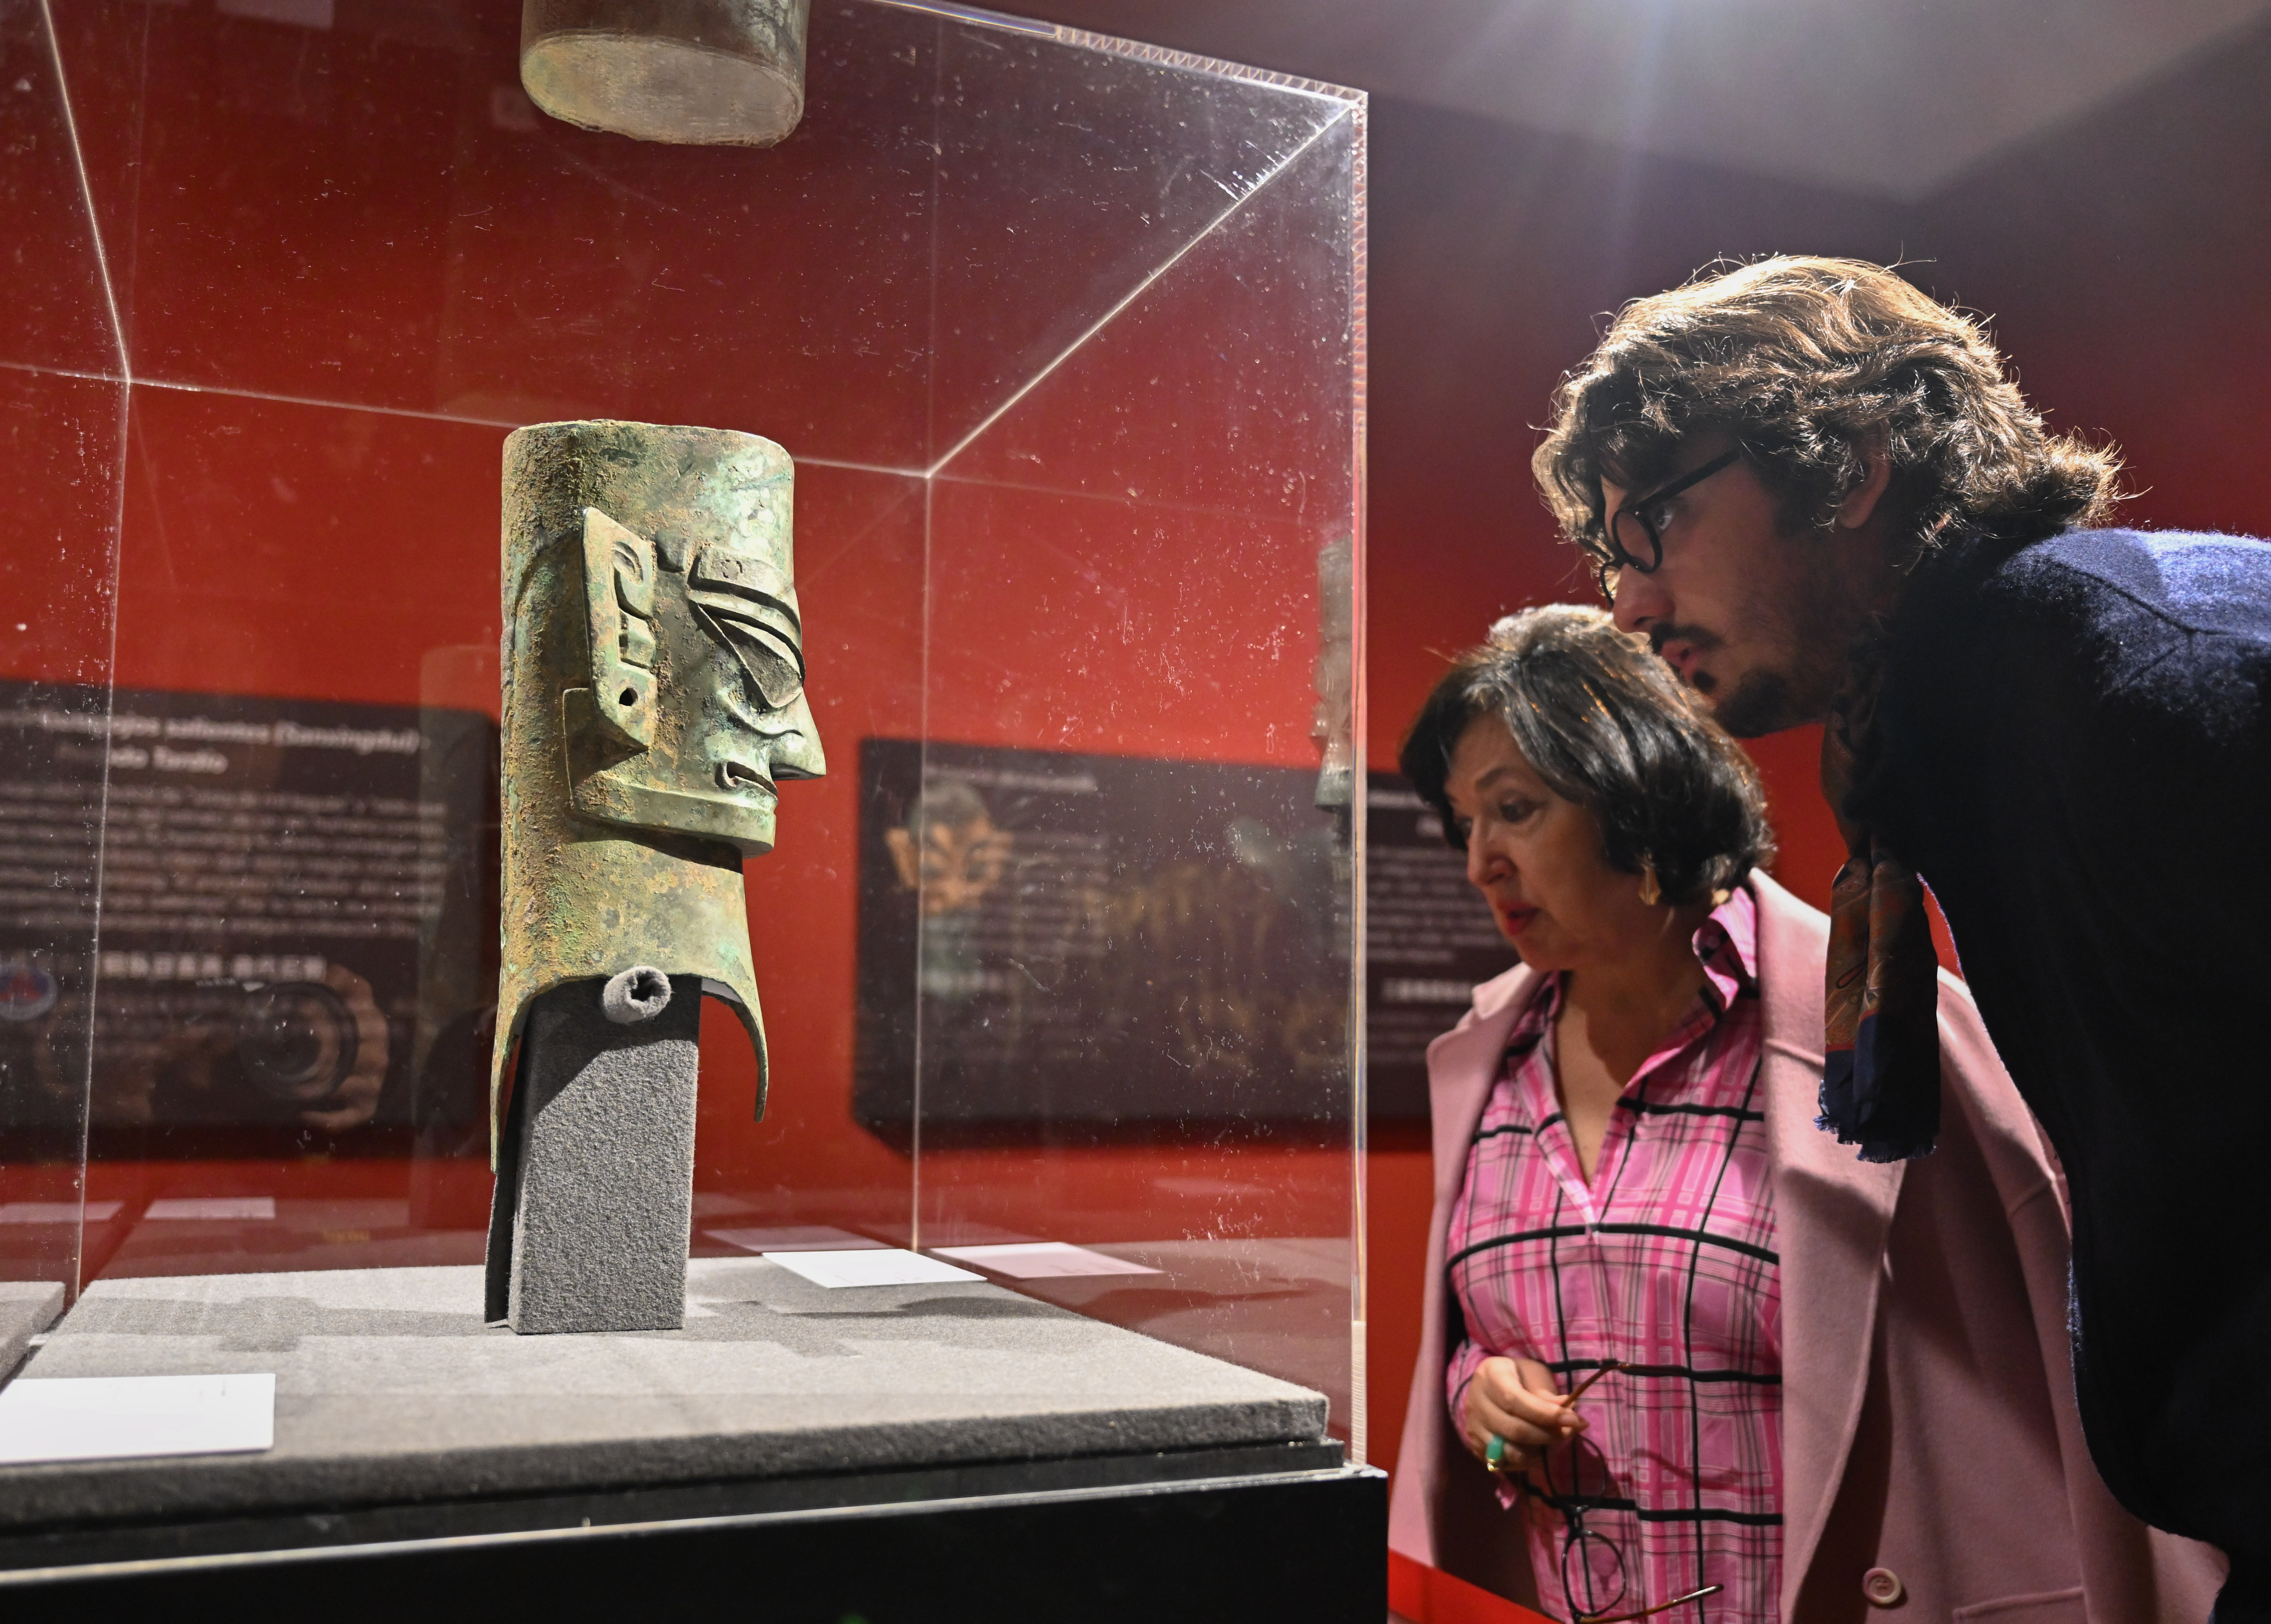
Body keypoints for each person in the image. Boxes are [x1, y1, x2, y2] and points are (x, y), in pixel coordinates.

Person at [1530, 256, 2271, 1617]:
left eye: (1659, 522)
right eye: (1608, 551)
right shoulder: (1987, 717)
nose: (1626, 604)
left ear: (1850, 467)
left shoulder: (2148, 685)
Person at [1386, 607, 2218, 1622]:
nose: (1480, 862)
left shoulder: (1887, 1031)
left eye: (1514, 809)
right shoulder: (1488, 1057)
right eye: (1464, 820)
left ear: (1638, 797)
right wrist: (1480, 1395)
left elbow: (2050, 1352)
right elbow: (1478, 1337)